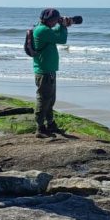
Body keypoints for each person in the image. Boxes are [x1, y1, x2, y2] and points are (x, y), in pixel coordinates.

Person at [32, 8, 73, 137]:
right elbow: (62, 39)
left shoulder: (42, 28)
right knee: (43, 100)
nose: (57, 22)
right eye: (56, 19)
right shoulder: (43, 30)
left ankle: (50, 124)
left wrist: (61, 25)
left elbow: (54, 33)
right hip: (44, 71)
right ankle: (40, 128)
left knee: (49, 100)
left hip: (47, 70)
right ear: (49, 20)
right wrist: (64, 26)